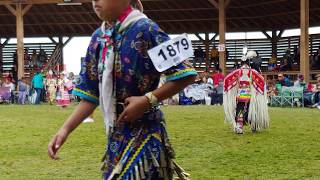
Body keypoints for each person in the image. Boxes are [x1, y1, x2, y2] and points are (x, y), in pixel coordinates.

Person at [48, 1, 197, 179]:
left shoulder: (147, 29)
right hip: (116, 137)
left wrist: (148, 100)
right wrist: (65, 130)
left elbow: (186, 74)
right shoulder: (98, 39)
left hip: (146, 134)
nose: (96, 1)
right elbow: (91, 95)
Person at [223, 50, 269, 134]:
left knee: (240, 110)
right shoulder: (253, 72)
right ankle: (254, 127)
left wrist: (227, 89)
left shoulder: (237, 72)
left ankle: (239, 128)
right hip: (250, 95)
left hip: (240, 95)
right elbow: (261, 81)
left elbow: (227, 79)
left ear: (241, 63)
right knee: (252, 109)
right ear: (249, 63)